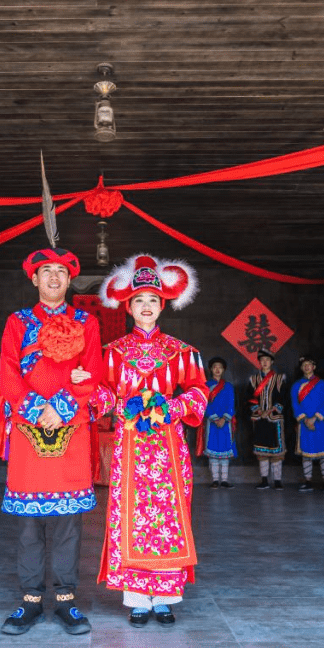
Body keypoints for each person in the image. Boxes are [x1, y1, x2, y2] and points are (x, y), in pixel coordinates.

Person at [0, 247, 101, 636]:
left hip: (72, 429)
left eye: (61, 273)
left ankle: (66, 601)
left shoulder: (87, 322)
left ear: (70, 281)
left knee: (68, 522)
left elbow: (93, 371)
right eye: (46, 271)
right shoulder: (18, 321)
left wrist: (61, 408)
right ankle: (30, 600)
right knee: (29, 523)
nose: (53, 278)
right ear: (34, 279)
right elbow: (8, 371)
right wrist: (36, 409)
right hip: (30, 433)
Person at [93, 254, 207, 627]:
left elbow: (199, 395)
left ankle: (166, 596)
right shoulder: (113, 353)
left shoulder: (182, 352)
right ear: (128, 306)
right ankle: (138, 597)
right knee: (132, 515)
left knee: (169, 517)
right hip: (131, 448)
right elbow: (103, 396)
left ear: (163, 305)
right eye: (139, 300)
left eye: (153, 301)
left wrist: (170, 406)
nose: (146, 307)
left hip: (169, 447)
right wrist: (114, 401)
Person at [291, 356, 324, 492]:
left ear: (314, 367)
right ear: (301, 368)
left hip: (319, 422)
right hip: (304, 423)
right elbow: (295, 404)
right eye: (304, 365)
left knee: (323, 453)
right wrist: (305, 419)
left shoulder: (322, 384)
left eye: (309, 364)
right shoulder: (296, 385)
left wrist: (314, 418)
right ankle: (308, 481)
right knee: (306, 454)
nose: (307, 367)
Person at [249, 349, 286, 489]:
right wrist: (259, 411)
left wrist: (270, 410)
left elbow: (283, 398)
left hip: (274, 419)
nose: (264, 362)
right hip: (259, 419)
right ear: (259, 362)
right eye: (262, 360)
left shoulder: (279, 379)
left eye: (267, 360)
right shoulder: (253, 380)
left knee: (276, 451)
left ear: (272, 362)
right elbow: (249, 398)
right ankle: (264, 480)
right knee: (262, 451)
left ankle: (277, 480)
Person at [199, 357, 236, 488]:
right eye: (215, 367)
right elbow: (204, 404)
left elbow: (231, 404)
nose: (217, 369)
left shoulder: (229, 386)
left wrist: (224, 418)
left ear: (224, 369)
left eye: (220, 367)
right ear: (210, 369)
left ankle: (224, 479)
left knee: (225, 450)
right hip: (212, 423)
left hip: (225, 424)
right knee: (213, 450)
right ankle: (215, 480)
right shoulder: (206, 386)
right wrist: (214, 418)